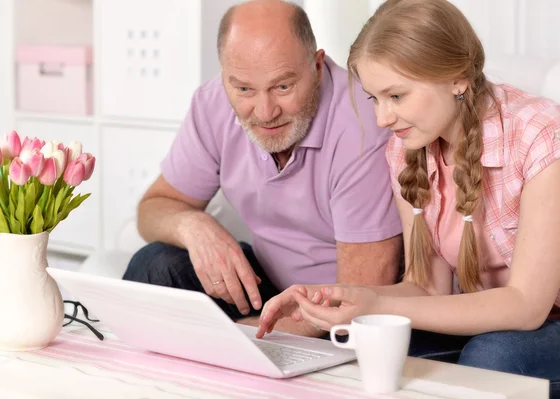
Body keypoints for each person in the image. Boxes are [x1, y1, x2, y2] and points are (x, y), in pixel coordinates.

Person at [256, 0, 560, 395]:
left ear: (456, 78)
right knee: (376, 348)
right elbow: (427, 289)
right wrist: (344, 299)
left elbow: (527, 306)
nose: (382, 119)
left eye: (397, 96)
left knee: (495, 358)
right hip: (494, 322)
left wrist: (378, 306)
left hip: (555, 321)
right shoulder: (406, 150)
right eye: (374, 99)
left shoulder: (540, 134)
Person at [122, 0, 403, 338]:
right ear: (225, 77)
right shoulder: (212, 103)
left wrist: (244, 338)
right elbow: (152, 209)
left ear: (316, 66)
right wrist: (192, 225)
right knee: (153, 264)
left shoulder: (363, 121)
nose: (265, 112)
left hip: (344, 311)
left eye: (283, 86)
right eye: (243, 89)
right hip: (272, 289)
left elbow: (358, 299)